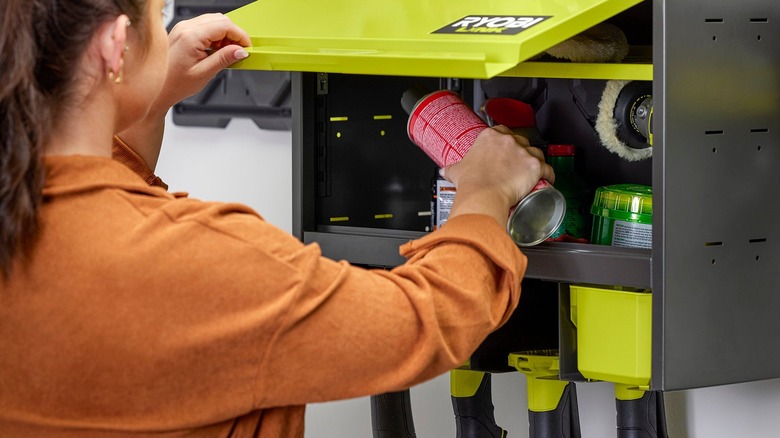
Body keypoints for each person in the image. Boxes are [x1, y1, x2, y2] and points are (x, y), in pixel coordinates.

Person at [0, 0, 555, 436]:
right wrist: (484, 191)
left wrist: (144, 96)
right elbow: (425, 319)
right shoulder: (204, 265)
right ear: (114, 48)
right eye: (157, 16)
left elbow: (95, 200)